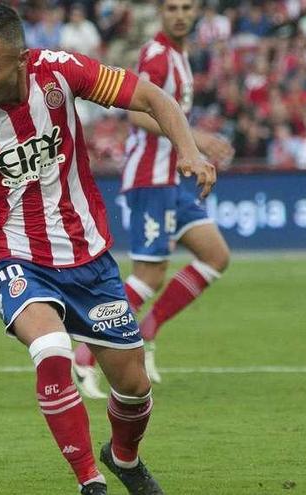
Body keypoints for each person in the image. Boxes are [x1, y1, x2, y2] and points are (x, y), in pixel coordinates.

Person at [0, 5, 216, 495]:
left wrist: (188, 149)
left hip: (88, 257)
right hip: (13, 257)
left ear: (21, 59)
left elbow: (150, 96)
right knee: (51, 347)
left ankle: (124, 457)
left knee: (133, 387)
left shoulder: (59, 73)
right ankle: (91, 480)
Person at [73, 0, 233, 391]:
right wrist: (195, 139)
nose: (180, 15)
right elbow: (138, 114)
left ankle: (149, 327)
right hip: (150, 178)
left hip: (173, 180)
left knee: (215, 256)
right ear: (162, 13)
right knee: (148, 274)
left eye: (187, 8)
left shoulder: (180, 54)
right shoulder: (158, 55)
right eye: (173, 8)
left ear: (196, 13)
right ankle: (85, 355)